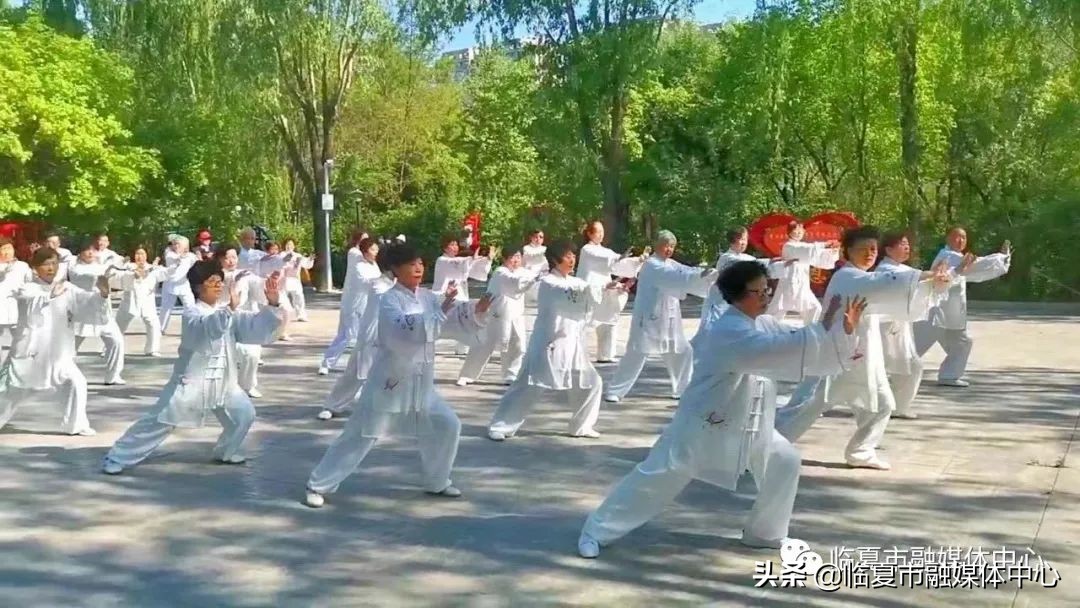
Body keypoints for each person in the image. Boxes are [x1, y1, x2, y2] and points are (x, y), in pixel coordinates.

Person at [577, 261, 864, 558]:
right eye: (758, 292)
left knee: (784, 460)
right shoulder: (731, 329)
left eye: (768, 290)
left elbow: (799, 342)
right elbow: (781, 348)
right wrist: (823, 327)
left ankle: (765, 533)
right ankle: (596, 530)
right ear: (738, 295)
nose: (766, 297)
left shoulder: (762, 322)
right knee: (659, 474)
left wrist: (839, 329)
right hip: (704, 423)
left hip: (752, 425)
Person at [303, 242, 492, 508]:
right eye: (411, 264)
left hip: (421, 384)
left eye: (420, 263)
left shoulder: (427, 297)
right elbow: (407, 332)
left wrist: (475, 310)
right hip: (390, 383)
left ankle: (437, 481)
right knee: (360, 435)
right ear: (395, 268)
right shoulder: (388, 300)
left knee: (448, 425)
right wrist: (441, 311)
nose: (418, 268)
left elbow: (445, 321)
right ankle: (318, 484)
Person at [775, 226, 953, 470]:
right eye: (864, 249)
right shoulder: (848, 276)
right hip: (833, 354)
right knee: (806, 407)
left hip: (861, 355)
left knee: (882, 405)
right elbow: (881, 284)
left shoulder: (861, 277)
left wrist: (933, 283)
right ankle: (762, 445)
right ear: (848, 252)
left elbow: (891, 298)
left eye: (873, 249)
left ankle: (861, 451)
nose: (870, 254)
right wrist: (926, 276)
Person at [101, 260, 286, 475]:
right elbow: (208, 329)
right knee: (160, 421)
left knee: (244, 415)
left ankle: (225, 451)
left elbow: (255, 327)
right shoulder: (192, 313)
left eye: (219, 281)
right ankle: (117, 456)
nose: (218, 285)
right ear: (199, 286)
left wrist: (272, 304)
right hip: (192, 383)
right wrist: (229, 310)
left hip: (224, 382)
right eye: (212, 281)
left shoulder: (229, 312)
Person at [487, 240, 623, 442]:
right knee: (527, 386)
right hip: (548, 344)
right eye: (568, 256)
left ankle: (581, 425)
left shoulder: (575, 281)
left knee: (592, 383)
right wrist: (598, 288)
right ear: (555, 259)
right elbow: (569, 295)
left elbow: (588, 293)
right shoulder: (549, 282)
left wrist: (610, 287)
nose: (572, 259)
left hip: (573, 345)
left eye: (573, 256)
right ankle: (500, 425)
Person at [0, 247, 110, 436]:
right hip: (31, 351)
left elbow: (85, 301)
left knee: (77, 383)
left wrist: (102, 294)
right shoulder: (27, 287)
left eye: (54, 263)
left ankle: (76, 425)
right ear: (35, 268)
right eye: (46, 263)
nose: (51, 267)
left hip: (58, 350)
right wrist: (49, 295)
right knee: (11, 392)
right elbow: (29, 300)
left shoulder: (67, 287)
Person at [603, 230, 717, 403]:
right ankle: (616, 390)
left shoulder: (670, 264)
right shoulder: (652, 265)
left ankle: (682, 389)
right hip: (649, 318)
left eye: (672, 246)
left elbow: (687, 271)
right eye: (667, 245)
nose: (669, 249)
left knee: (682, 352)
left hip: (669, 318)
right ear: (658, 245)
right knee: (636, 354)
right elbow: (678, 278)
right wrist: (699, 276)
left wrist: (707, 273)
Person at [913, 227, 1012, 387]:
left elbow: (974, 272)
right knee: (916, 345)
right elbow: (978, 266)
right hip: (935, 311)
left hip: (951, 315)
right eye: (956, 237)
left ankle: (949, 376)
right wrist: (1001, 257)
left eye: (964, 238)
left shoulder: (957, 257)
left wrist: (1001, 260)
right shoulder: (948, 256)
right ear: (948, 239)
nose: (960, 241)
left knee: (963, 343)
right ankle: (891, 371)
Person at [316, 240, 394, 421]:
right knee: (356, 373)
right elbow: (376, 289)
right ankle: (333, 404)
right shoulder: (378, 284)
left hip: (392, 339)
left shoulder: (395, 284)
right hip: (370, 334)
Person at [456, 249, 539, 387]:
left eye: (518, 257)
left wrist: (537, 276)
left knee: (516, 345)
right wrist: (533, 278)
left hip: (516, 315)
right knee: (482, 344)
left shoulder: (524, 273)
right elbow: (514, 283)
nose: (516, 260)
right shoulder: (500, 272)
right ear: (505, 259)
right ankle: (467, 375)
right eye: (512, 257)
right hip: (496, 314)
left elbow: (533, 286)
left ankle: (511, 375)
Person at [576, 220, 647, 363]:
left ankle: (606, 354)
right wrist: (618, 257)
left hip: (606, 285)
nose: (601, 235)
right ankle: (577, 354)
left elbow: (618, 264)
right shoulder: (587, 249)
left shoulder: (605, 250)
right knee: (586, 321)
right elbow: (608, 259)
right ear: (589, 234)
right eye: (598, 232)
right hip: (591, 287)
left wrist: (638, 260)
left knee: (609, 319)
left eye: (602, 232)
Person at [214, 244, 273, 399]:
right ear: (220, 259)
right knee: (224, 355)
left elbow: (257, 282)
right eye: (227, 257)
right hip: (220, 318)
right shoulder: (213, 275)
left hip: (241, 318)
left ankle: (247, 386)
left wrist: (269, 281)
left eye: (234, 257)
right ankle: (221, 387)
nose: (231, 261)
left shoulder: (244, 274)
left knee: (252, 353)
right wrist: (230, 279)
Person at [67, 241, 128, 385]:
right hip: (82, 313)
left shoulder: (101, 266)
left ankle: (113, 376)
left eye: (92, 250)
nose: (90, 253)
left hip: (102, 313)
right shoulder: (75, 268)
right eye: (86, 250)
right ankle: (62, 373)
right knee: (69, 347)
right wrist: (107, 271)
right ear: (80, 253)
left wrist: (126, 269)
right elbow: (89, 277)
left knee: (116, 342)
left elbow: (117, 275)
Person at [317, 229, 370, 375]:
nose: (367, 243)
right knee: (348, 334)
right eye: (364, 240)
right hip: (352, 301)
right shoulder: (354, 253)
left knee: (365, 336)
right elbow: (364, 278)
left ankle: (363, 366)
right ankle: (327, 363)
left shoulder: (371, 262)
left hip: (366, 302)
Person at [766, 221, 840, 324]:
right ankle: (765, 328)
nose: (798, 232)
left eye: (800, 230)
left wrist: (831, 251)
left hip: (802, 285)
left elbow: (815, 256)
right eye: (795, 230)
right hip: (789, 284)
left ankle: (810, 330)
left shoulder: (804, 246)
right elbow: (808, 250)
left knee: (814, 308)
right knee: (777, 310)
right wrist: (824, 244)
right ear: (789, 232)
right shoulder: (788, 246)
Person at [432, 235, 491, 355]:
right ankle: (429, 343)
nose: (455, 247)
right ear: (444, 247)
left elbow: (471, 268)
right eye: (451, 245)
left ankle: (462, 349)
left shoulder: (460, 261)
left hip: (459, 294)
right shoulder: (442, 260)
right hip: (443, 295)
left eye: (456, 245)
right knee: (440, 323)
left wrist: (486, 259)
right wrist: (471, 259)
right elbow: (458, 263)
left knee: (465, 320)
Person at [115, 246, 166, 357]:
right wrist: (126, 266)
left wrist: (156, 266)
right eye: (137, 254)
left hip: (147, 301)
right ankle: (110, 348)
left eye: (142, 254)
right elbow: (117, 271)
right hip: (130, 300)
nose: (140, 256)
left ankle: (152, 349)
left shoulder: (154, 268)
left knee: (153, 325)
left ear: (147, 255)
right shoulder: (128, 267)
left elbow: (166, 274)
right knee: (118, 325)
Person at [160, 235, 198, 333]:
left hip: (183, 284)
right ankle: (160, 329)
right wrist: (182, 256)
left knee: (190, 306)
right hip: (169, 284)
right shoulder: (169, 253)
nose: (176, 246)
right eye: (174, 244)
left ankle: (193, 326)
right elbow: (176, 258)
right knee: (166, 309)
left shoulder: (190, 256)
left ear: (185, 247)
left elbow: (198, 261)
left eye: (178, 244)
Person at [0, 237, 32, 348]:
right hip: (1, 305)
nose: (6, 252)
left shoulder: (22, 266)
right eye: (3, 249)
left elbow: (30, 282)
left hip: (17, 305)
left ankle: (13, 362)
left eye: (9, 248)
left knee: (21, 337)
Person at [279, 237, 314, 322]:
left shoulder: (298, 256)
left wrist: (310, 259)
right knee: (283, 297)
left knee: (299, 297)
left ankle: (301, 315)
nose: (289, 246)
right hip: (285, 279)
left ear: (294, 246)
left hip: (295, 279)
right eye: (287, 244)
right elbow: (280, 263)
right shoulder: (282, 254)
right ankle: (281, 315)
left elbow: (307, 265)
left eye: (291, 244)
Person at [521, 229, 548, 305]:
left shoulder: (545, 249)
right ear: (531, 237)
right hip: (529, 278)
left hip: (542, 278)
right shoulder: (526, 248)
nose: (538, 239)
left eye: (541, 237)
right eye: (536, 237)